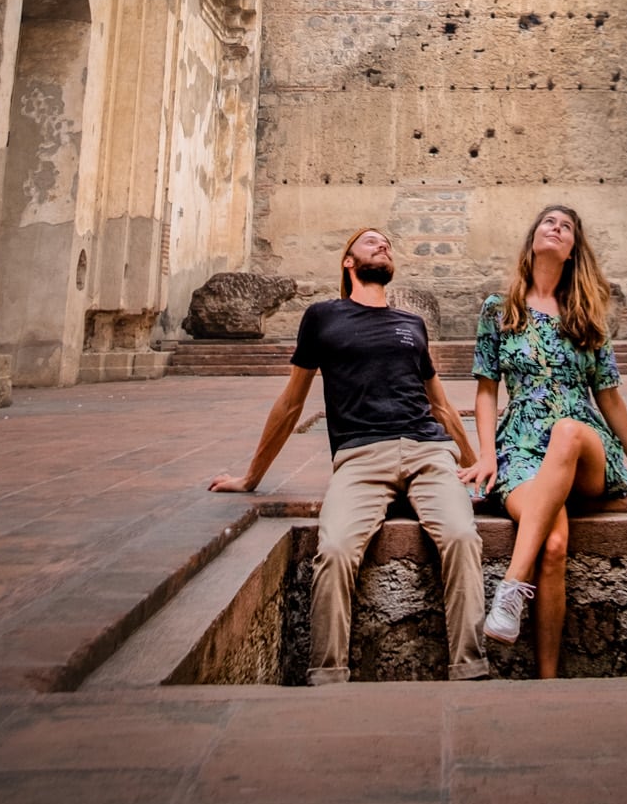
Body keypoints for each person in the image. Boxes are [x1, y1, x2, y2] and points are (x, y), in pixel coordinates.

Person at [208, 227, 489, 685]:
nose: (383, 245)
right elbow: (291, 402)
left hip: (428, 453)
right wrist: (250, 477)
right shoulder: (323, 317)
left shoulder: (410, 324)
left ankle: (470, 668)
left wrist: (474, 461)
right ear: (348, 261)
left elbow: (439, 404)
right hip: (360, 459)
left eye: (387, 244)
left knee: (461, 537)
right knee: (335, 550)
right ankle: (328, 675)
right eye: (371, 241)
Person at [461, 204, 627, 676]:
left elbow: (610, 397)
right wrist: (485, 455)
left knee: (564, 432)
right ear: (533, 237)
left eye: (566, 227)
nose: (556, 229)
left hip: (583, 447)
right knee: (555, 542)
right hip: (519, 447)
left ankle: (509, 588)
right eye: (549, 222)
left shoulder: (587, 313)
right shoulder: (497, 310)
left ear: (572, 250)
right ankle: (548, 679)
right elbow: (485, 390)